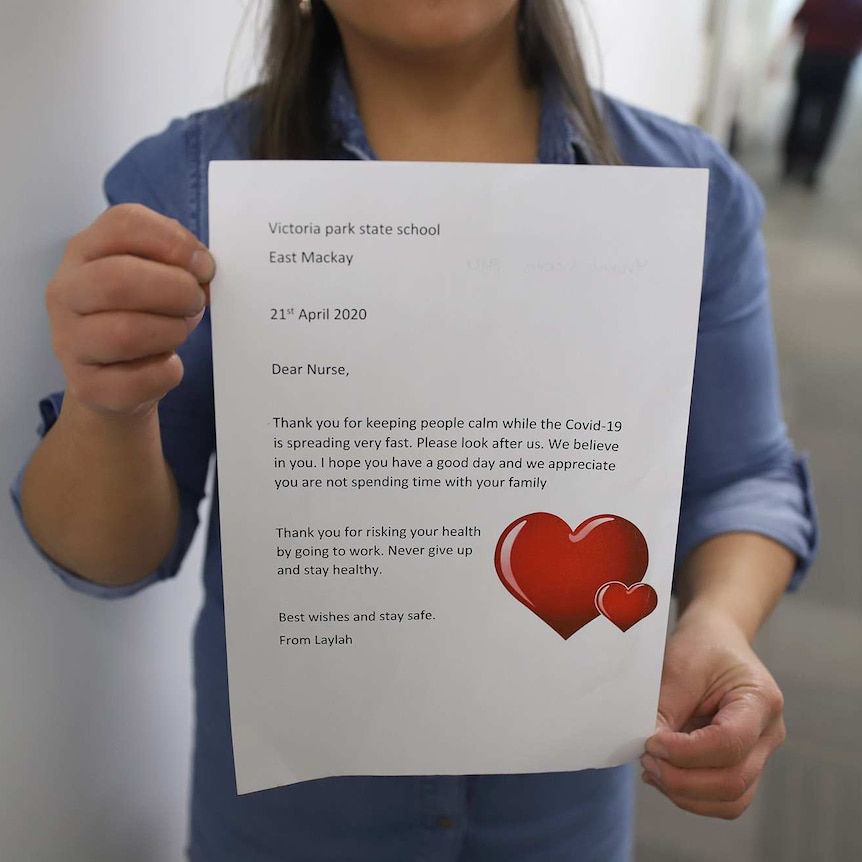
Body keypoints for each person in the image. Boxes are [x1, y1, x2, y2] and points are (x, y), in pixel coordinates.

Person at [12, 1, 817, 860]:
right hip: (293, 830)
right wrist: (109, 407)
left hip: (561, 821)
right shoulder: (191, 184)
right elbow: (110, 557)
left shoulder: (686, 190)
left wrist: (720, 623)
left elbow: (745, 478)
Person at [782, 0, 862, 185]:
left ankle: (790, 160)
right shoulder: (856, 5)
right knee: (828, 115)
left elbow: (796, 25)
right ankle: (812, 166)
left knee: (800, 108)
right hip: (839, 62)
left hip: (812, 57)